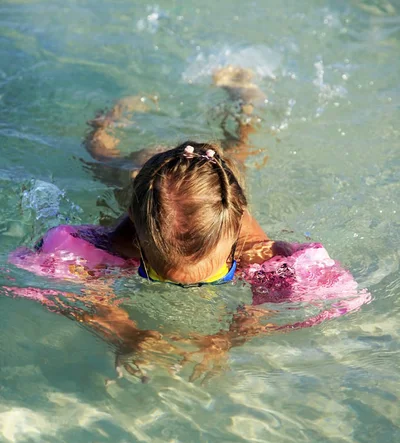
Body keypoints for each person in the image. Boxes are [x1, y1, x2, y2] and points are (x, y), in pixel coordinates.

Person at [7, 67, 370, 381]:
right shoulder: (116, 241)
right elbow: (73, 292)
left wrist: (228, 339)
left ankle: (245, 99)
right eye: (157, 274)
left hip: (217, 190)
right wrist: (125, 333)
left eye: (217, 276)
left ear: (235, 234)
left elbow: (310, 302)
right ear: (138, 238)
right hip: (140, 175)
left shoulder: (256, 250)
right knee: (99, 155)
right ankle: (108, 120)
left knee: (239, 152)